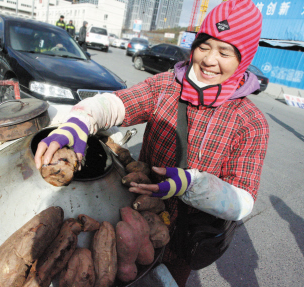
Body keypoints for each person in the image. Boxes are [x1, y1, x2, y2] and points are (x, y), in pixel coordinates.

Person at [35, 0, 269, 286]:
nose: (209, 60)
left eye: (224, 52)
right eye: (204, 46)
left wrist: (190, 184)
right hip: (135, 219)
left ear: (243, 59)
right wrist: (81, 120)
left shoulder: (251, 122)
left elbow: (242, 200)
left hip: (185, 237)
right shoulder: (166, 86)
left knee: (166, 280)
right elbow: (117, 103)